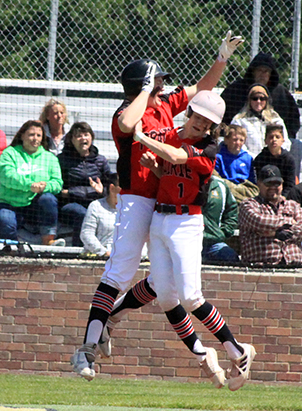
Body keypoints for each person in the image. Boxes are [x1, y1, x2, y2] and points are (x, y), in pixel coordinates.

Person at [70, 31, 244, 382]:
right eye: (157, 81)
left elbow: (200, 92)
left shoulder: (164, 105)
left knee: (162, 285)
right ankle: (86, 349)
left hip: (167, 202)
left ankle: (112, 321)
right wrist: (145, 90)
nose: (164, 87)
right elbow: (126, 124)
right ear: (143, 85)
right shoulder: (131, 109)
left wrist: (221, 58)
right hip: (137, 198)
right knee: (119, 272)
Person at [131, 90, 255, 391]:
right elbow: (170, 170)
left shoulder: (209, 148)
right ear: (189, 113)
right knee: (164, 296)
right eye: (198, 116)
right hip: (160, 218)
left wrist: (141, 136)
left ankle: (237, 349)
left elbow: (176, 156)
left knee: (191, 297)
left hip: (187, 222)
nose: (201, 123)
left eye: (208, 120)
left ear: (214, 126)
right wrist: (154, 165)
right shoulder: (173, 136)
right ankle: (207, 353)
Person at [221, 52, 302, 177]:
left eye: (266, 71)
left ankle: (292, 183)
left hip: (276, 148)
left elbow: (293, 121)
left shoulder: (281, 95)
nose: (258, 101)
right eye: (259, 70)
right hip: (245, 149)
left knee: (297, 145)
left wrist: (279, 149)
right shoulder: (235, 91)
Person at [0, 120, 64, 246]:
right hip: (9, 203)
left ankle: (49, 241)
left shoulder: (50, 158)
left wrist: (44, 187)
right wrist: (29, 186)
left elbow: (57, 183)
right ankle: (12, 248)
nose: (35, 138)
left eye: (38, 135)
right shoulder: (9, 153)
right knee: (5, 221)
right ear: (22, 135)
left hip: (35, 206)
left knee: (48, 198)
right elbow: (6, 176)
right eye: (31, 135)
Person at [238, 164, 302, 266]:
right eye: (268, 183)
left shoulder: (293, 205)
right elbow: (258, 221)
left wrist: (273, 232)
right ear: (259, 183)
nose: (273, 187)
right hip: (260, 266)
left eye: (277, 183)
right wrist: (289, 222)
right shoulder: (248, 205)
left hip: (297, 265)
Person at [57, 121, 111, 246]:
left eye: (86, 135)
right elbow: (57, 187)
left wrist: (102, 191)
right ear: (71, 140)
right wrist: (70, 192)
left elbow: (111, 185)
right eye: (78, 136)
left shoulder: (100, 160)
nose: (83, 138)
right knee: (82, 214)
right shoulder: (62, 160)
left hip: (95, 202)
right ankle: (78, 251)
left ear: (91, 137)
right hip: (70, 204)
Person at [231, 83, 291, 157]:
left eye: (262, 98)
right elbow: (236, 145)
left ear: (267, 100)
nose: (258, 101)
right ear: (249, 100)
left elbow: (286, 142)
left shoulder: (275, 119)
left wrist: (276, 155)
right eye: (255, 98)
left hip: (273, 160)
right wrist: (255, 158)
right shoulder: (239, 120)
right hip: (249, 160)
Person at [214, 124, 258, 203]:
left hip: (243, 189)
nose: (238, 143)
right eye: (235, 140)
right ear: (226, 140)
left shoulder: (247, 158)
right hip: (227, 187)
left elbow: (252, 181)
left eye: (241, 140)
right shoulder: (218, 157)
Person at [80, 173, 120, 258]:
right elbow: (86, 234)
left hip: (122, 260)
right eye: (123, 187)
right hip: (97, 259)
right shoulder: (96, 206)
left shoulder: (130, 210)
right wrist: (104, 252)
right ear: (112, 188)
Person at [202, 174, 239, 263]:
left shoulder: (220, 185)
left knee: (230, 256)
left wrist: (223, 232)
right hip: (187, 240)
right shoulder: (186, 182)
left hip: (212, 243)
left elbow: (232, 211)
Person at [254, 124, 296, 198]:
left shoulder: (289, 160)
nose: (274, 140)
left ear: (283, 140)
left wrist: (283, 196)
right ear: (266, 141)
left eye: (277, 137)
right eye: (271, 137)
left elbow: (290, 184)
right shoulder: (260, 159)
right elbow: (258, 181)